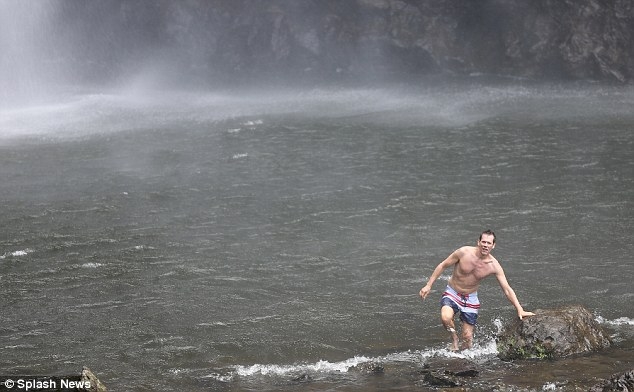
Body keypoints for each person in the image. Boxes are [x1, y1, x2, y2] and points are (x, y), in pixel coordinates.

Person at [419, 229, 535, 351]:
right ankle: (454, 339)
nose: (485, 245)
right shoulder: (463, 252)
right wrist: (428, 285)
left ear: (493, 245)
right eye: (483, 242)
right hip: (453, 292)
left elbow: (506, 289)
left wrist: (519, 309)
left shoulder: (493, 265)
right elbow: (443, 265)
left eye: (488, 243)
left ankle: (462, 359)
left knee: (468, 338)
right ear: (478, 242)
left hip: (470, 298)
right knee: (446, 318)